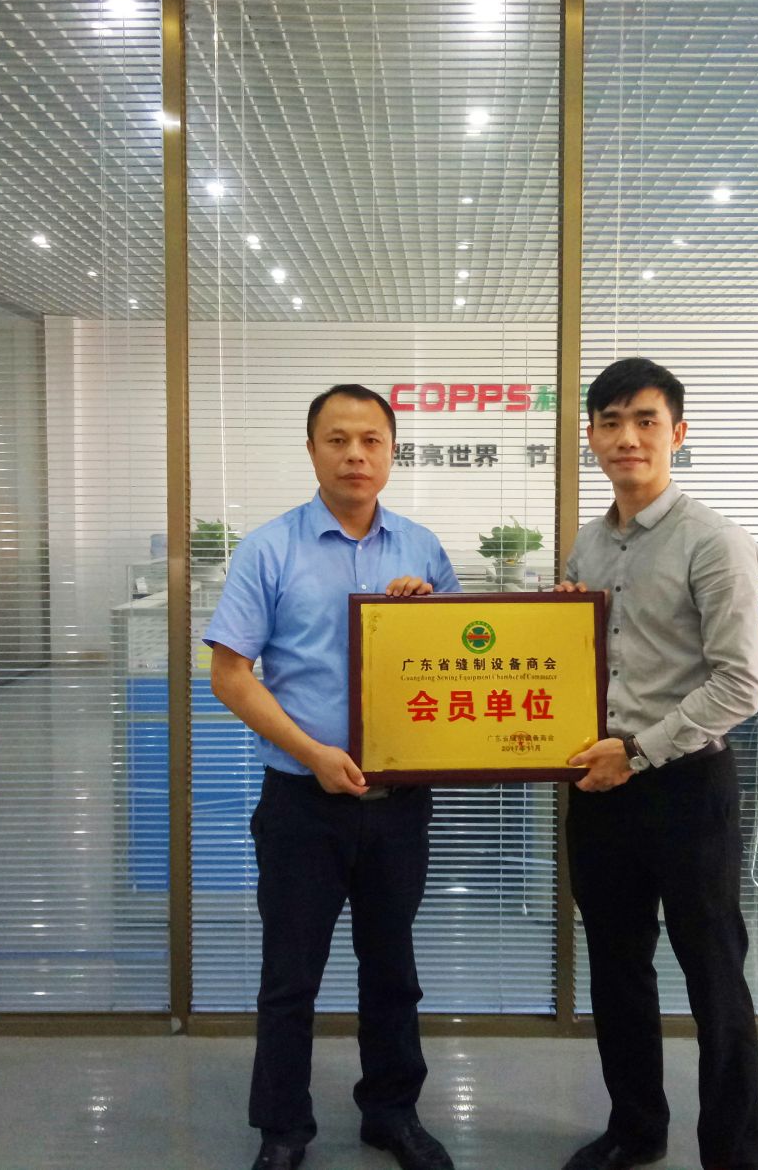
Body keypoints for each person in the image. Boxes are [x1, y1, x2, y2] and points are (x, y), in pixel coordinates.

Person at [205, 383, 460, 1170]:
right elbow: (230, 675)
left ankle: (392, 1112)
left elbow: (462, 666)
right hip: (301, 802)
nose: (355, 454)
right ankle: (284, 1129)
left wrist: (424, 612)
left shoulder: (422, 550)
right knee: (291, 977)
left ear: (392, 450)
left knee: (393, 972)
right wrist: (313, 752)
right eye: (338, 439)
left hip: (398, 805)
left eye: (371, 440)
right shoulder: (269, 549)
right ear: (312, 450)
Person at [554, 357, 758, 1170]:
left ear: (677, 433)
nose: (628, 438)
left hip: (683, 785)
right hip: (599, 787)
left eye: (645, 421)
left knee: (713, 975)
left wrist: (639, 752)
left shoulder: (712, 541)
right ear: (591, 437)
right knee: (617, 969)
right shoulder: (588, 544)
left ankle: (733, 1154)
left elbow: (740, 683)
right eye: (611, 422)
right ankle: (635, 1130)